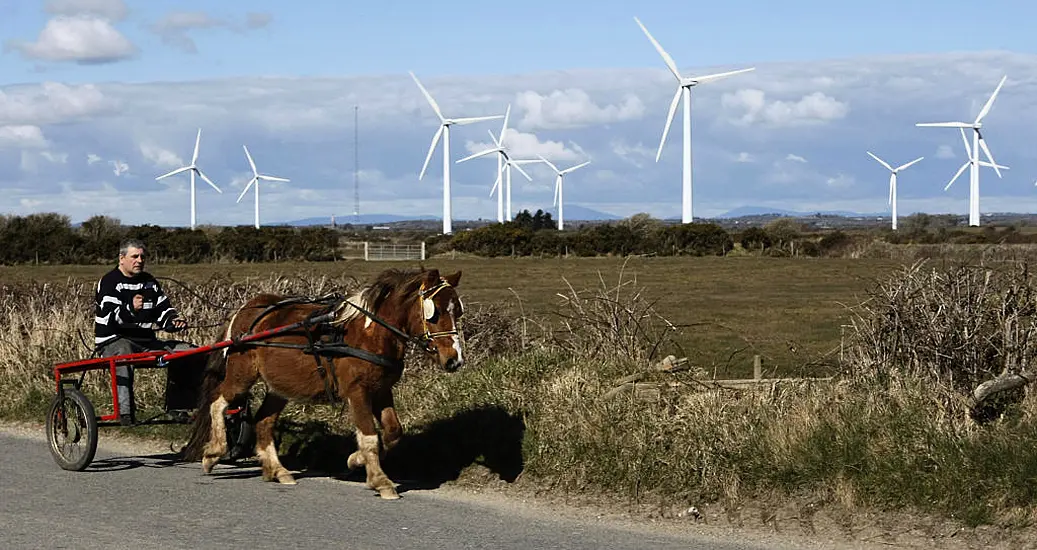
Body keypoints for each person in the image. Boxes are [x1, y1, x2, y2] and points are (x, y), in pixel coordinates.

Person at [94, 239, 194, 425]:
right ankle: (125, 414)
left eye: (142, 257)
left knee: (190, 353)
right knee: (124, 352)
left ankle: (178, 408)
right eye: (135, 256)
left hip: (146, 342)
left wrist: (173, 321)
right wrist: (131, 308)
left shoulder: (150, 282)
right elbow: (110, 318)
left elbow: (163, 310)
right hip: (113, 340)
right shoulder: (110, 282)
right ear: (121, 258)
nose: (139, 260)